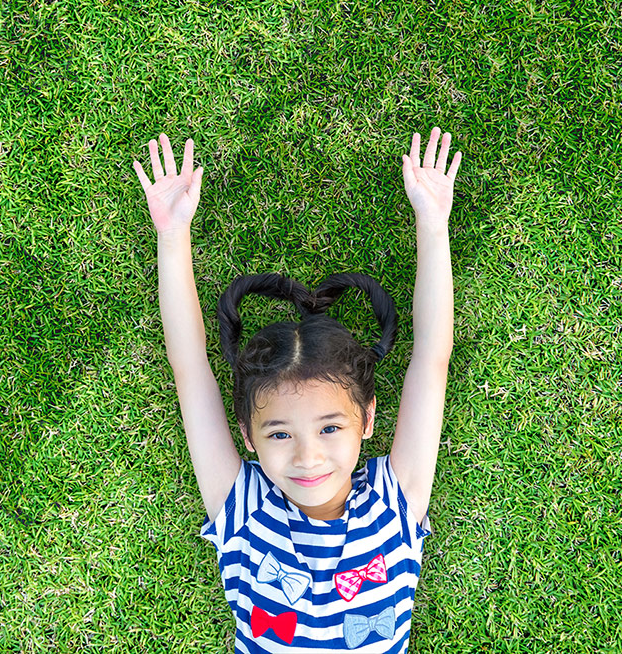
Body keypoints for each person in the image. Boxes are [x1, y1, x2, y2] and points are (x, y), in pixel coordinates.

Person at [133, 128, 461, 652]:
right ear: (248, 436)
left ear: (367, 419)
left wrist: (433, 223)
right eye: (280, 434)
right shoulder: (244, 508)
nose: (308, 457)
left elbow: (432, 360)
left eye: (330, 427)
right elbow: (189, 367)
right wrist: (171, 236)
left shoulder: (394, 502)